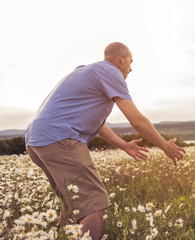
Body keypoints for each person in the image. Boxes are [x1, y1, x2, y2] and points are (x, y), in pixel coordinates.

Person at [25, 42, 186, 239]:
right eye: (130, 62)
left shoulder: (86, 72)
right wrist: (165, 146)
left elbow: (98, 124)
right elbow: (137, 119)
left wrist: (125, 145)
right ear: (122, 59)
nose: (131, 68)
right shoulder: (111, 72)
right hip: (61, 138)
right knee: (95, 204)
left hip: (36, 140)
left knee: (72, 204)